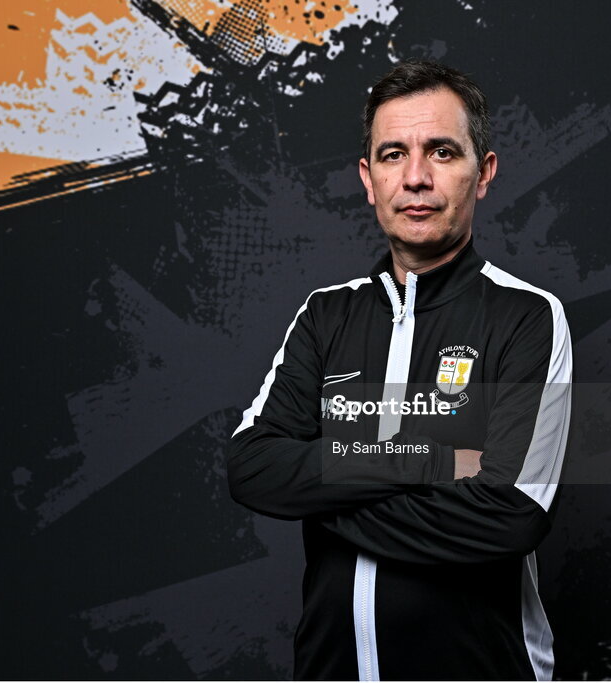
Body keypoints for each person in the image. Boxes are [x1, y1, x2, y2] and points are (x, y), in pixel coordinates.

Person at [227, 60, 572, 681]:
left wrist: (321, 480)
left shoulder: (527, 319)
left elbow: (507, 516)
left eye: (441, 151)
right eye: (392, 154)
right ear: (368, 178)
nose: (415, 177)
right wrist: (426, 461)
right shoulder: (326, 315)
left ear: (484, 172)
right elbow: (253, 467)